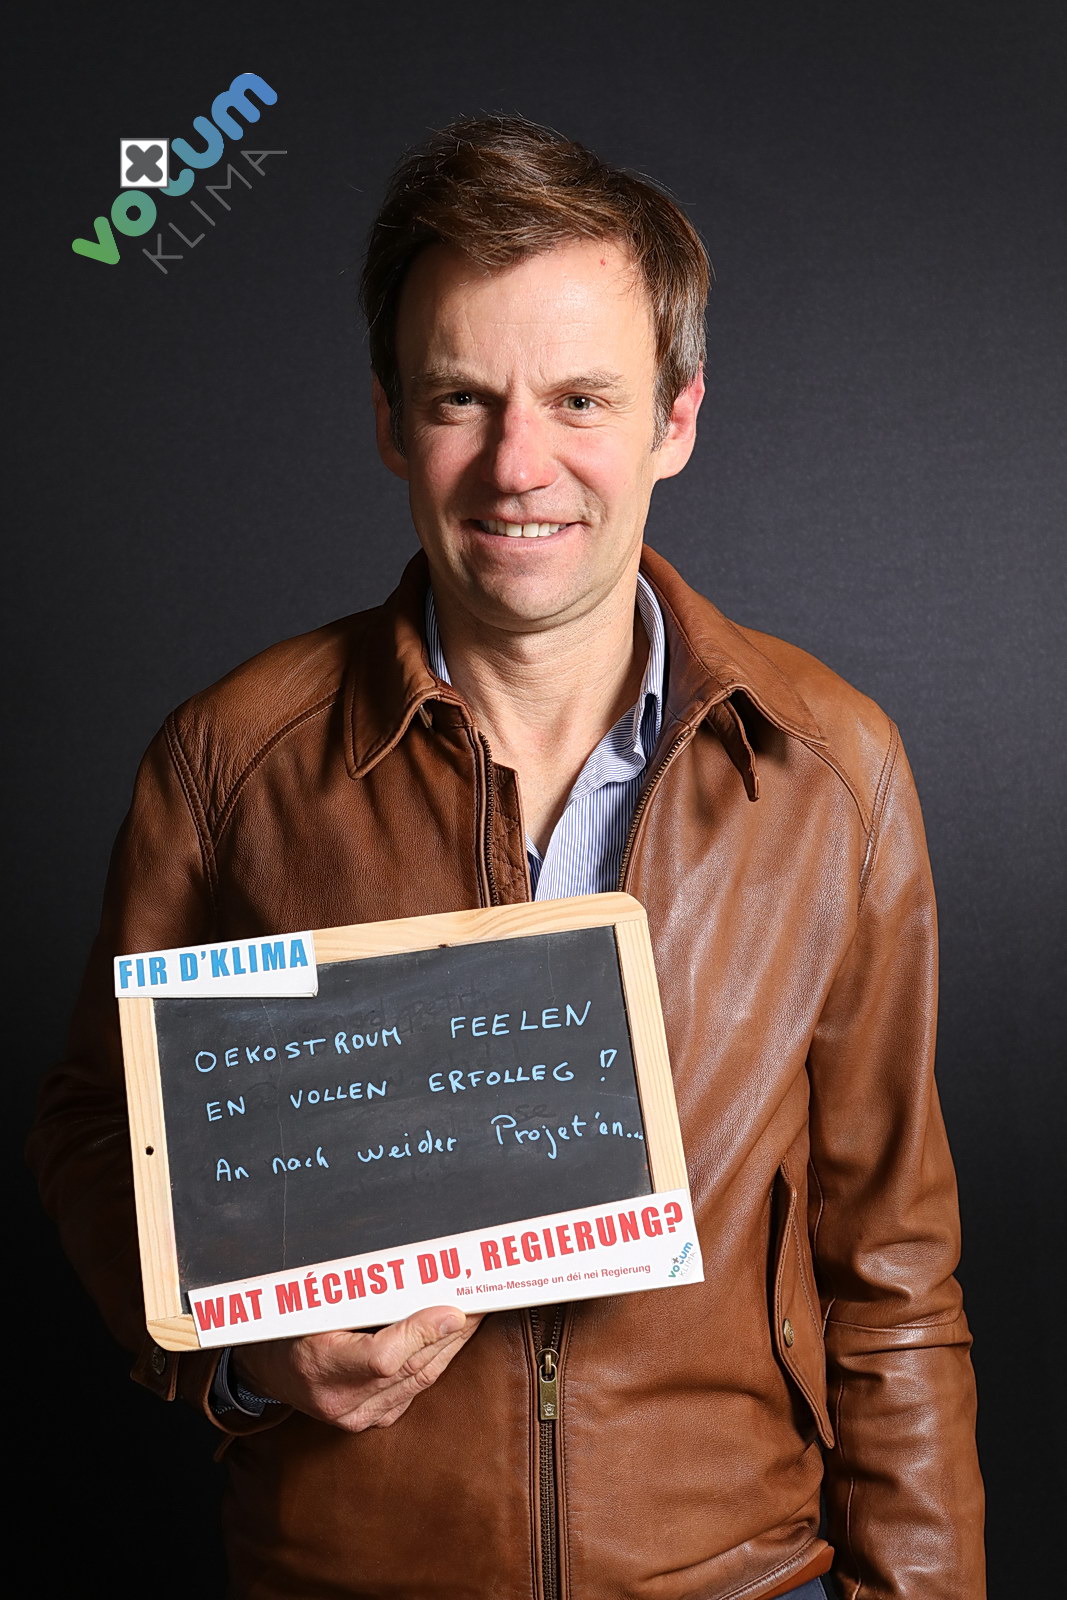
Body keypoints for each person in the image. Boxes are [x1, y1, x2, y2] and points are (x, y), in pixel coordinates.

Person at [27, 114, 985, 1599]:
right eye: (461, 399)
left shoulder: (830, 771)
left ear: (676, 419)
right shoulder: (228, 765)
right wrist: (241, 1346)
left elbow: (895, 1278)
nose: (517, 465)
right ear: (390, 422)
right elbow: (101, 1127)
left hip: (738, 1576)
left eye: (581, 399)